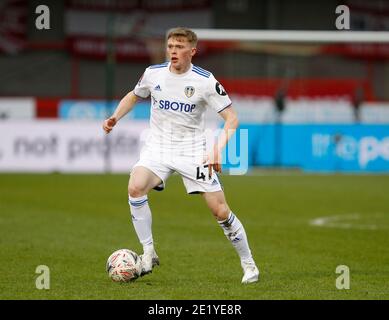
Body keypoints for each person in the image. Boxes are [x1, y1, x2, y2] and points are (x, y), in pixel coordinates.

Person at [103, 27, 259, 284]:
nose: (173, 51)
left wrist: (216, 149)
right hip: (158, 148)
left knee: (220, 211)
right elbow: (134, 95)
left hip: (192, 151)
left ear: (192, 51)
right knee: (135, 186)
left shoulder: (205, 80)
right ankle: (148, 252)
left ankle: (249, 264)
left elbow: (232, 118)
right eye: (170, 46)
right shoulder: (153, 74)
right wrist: (115, 118)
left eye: (179, 47)